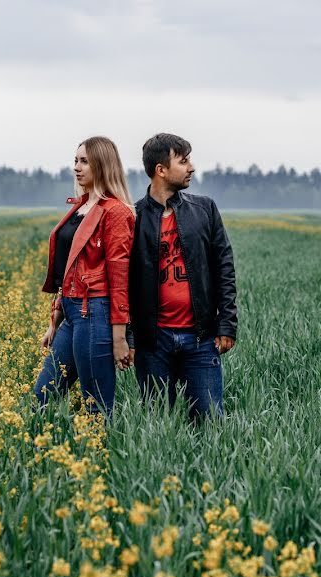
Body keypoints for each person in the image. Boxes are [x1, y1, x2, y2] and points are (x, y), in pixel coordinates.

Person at [128, 133, 237, 419]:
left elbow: (224, 267)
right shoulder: (133, 217)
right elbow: (122, 282)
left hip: (200, 338)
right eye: (184, 161)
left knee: (209, 422)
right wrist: (128, 337)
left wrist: (227, 324)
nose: (192, 167)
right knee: (157, 425)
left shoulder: (205, 209)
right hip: (153, 341)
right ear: (160, 170)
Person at [34, 136, 135, 417]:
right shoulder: (80, 208)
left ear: (102, 165)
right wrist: (55, 320)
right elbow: (68, 270)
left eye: (85, 161)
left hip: (95, 314)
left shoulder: (115, 212)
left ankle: (104, 457)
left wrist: (120, 337)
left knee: (98, 406)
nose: (77, 168)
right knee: (41, 397)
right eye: (75, 161)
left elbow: (120, 278)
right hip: (72, 311)